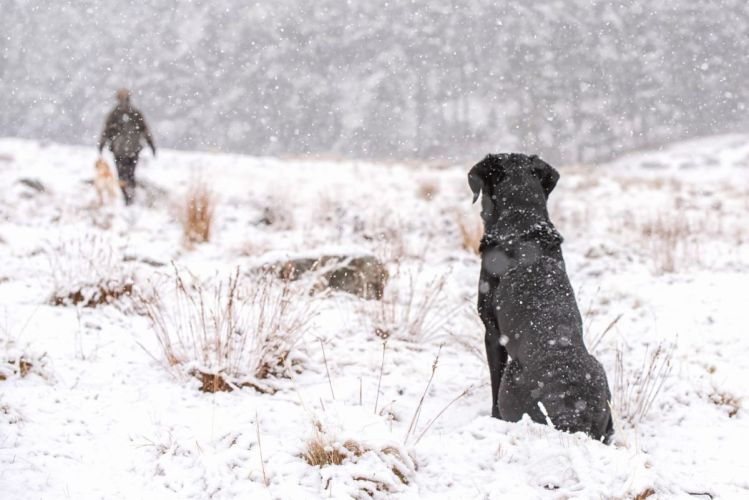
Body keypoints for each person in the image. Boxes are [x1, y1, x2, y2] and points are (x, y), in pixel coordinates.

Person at [98, 88, 156, 205]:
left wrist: (102, 145)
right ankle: (130, 193)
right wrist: (151, 145)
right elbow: (145, 130)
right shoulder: (135, 112)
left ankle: (126, 195)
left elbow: (106, 131)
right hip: (134, 149)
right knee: (131, 172)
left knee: (121, 173)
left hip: (118, 150)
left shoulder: (114, 113)